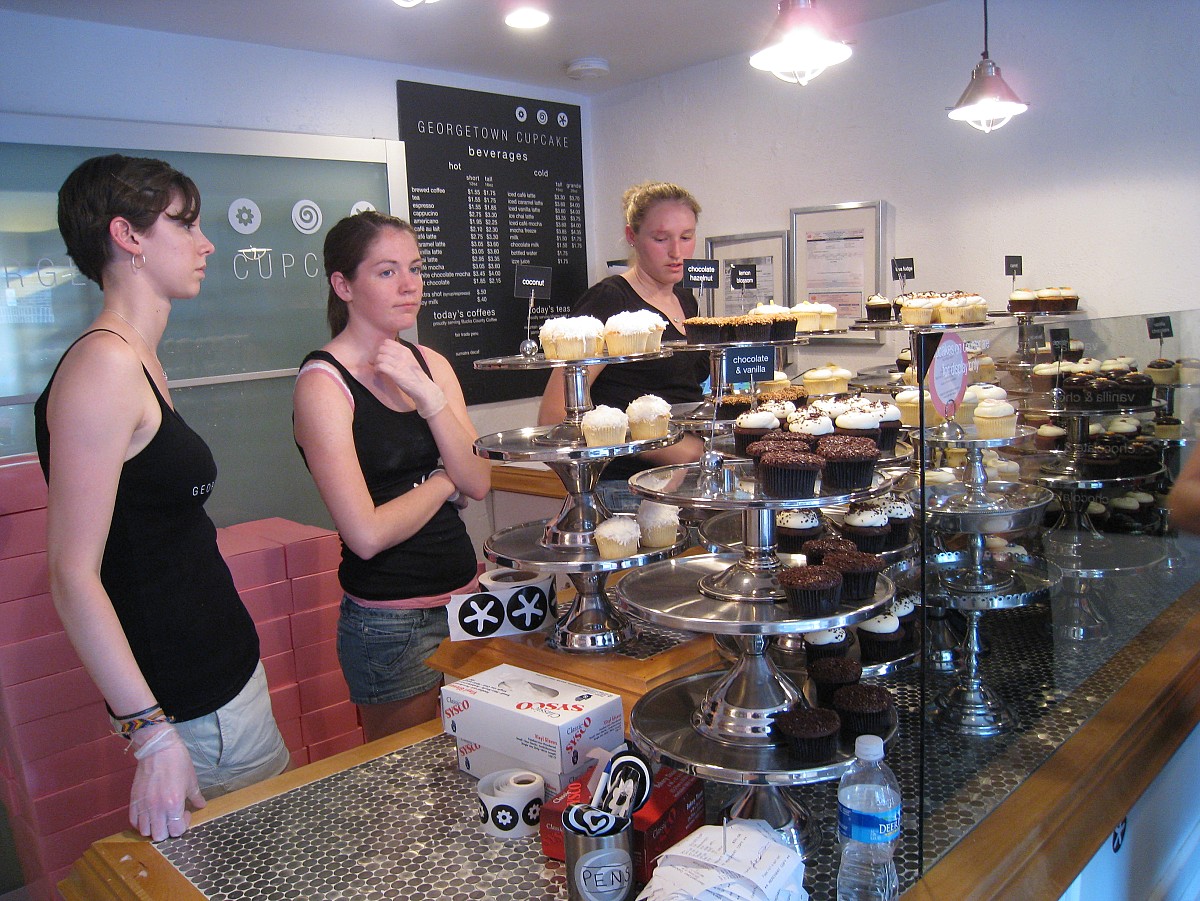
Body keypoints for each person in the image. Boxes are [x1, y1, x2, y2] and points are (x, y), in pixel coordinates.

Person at [34, 154, 290, 844]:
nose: (206, 243)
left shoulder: (139, 355)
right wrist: (150, 735)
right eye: (185, 224)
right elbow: (72, 572)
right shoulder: (104, 367)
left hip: (221, 686)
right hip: (197, 711)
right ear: (128, 235)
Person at [293, 211, 490, 742]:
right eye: (386, 272)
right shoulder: (323, 385)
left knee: (473, 766)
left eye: (415, 268)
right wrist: (441, 482)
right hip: (391, 624)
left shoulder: (430, 365)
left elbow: (479, 480)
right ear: (343, 284)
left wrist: (428, 397)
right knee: (408, 787)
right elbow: (366, 534)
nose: (409, 285)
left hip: (465, 599)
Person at [538, 182, 710, 511]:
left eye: (686, 237)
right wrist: (662, 445)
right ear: (632, 237)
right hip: (624, 490)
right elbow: (555, 414)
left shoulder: (685, 300)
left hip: (683, 481)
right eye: (661, 239)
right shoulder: (609, 300)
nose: (676, 252)